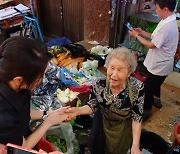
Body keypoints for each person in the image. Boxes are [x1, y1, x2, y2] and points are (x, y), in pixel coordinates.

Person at [65, 47, 144, 154]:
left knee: (121, 148)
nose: (114, 74)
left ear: (129, 72)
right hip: (103, 123)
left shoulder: (137, 88)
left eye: (120, 70)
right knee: (98, 147)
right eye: (112, 68)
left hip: (124, 127)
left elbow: (136, 117)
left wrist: (135, 146)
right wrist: (77, 111)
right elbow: (92, 106)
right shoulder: (99, 84)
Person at [0, 36, 68, 149]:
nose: (44, 79)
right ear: (19, 80)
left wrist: (47, 113)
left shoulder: (15, 84)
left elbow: (22, 112)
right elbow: (23, 146)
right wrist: (49, 122)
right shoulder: (4, 117)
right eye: (40, 76)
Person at [128, 0, 178, 120]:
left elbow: (152, 45)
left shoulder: (167, 27)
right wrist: (142, 32)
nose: (156, 10)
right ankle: (157, 101)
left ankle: (145, 112)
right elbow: (155, 37)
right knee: (156, 84)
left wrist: (137, 36)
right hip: (161, 64)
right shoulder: (167, 20)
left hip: (160, 66)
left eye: (157, 8)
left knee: (147, 88)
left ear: (165, 9)